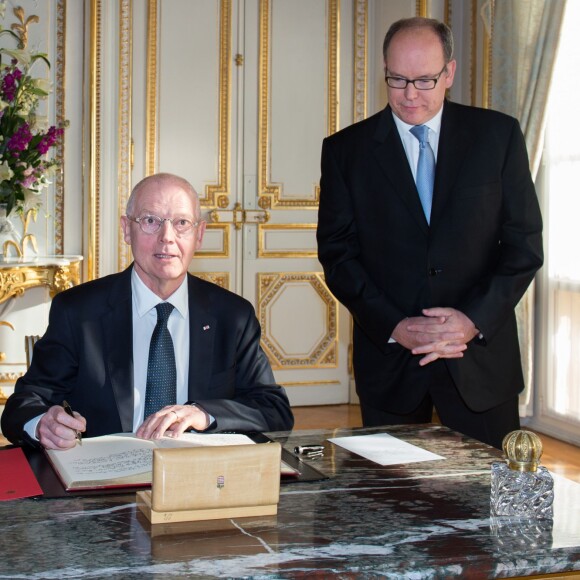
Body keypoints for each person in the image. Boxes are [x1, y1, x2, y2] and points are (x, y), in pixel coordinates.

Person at [316, 17, 543, 449]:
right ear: (384, 69)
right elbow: (338, 254)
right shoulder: (346, 151)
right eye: (397, 79)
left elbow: (524, 245)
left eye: (424, 80)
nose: (409, 95)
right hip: (391, 362)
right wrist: (395, 326)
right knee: (391, 505)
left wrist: (472, 320)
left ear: (450, 73)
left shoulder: (498, 137)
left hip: (479, 358)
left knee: (491, 498)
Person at [1, 172, 294, 449]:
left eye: (181, 223)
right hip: (106, 478)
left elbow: (274, 409)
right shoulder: (79, 312)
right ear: (126, 229)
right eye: (151, 221)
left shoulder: (233, 316)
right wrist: (42, 424)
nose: (167, 237)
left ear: (199, 235)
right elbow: (24, 404)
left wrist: (203, 414)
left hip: (198, 479)